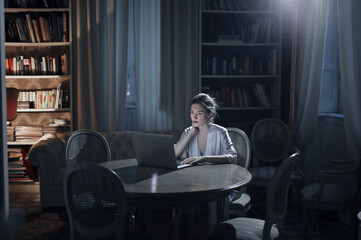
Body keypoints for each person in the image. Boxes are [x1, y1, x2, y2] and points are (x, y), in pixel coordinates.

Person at [175, 93, 237, 165]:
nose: (194, 117)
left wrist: (205, 158)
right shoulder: (188, 131)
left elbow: (232, 157)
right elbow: (175, 154)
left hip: (215, 174)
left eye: (199, 113)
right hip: (192, 174)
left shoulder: (220, 132)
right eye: (192, 112)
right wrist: (191, 133)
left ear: (209, 114)